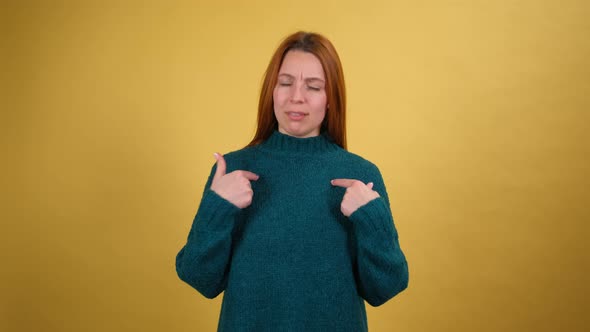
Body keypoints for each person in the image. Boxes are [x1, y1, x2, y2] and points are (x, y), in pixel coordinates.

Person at [176, 31, 409, 331]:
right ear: (271, 91)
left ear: (330, 100)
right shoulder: (233, 171)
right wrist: (217, 209)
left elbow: (385, 289)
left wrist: (372, 220)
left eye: (313, 86)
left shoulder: (360, 176)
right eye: (285, 83)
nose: (296, 96)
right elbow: (199, 278)